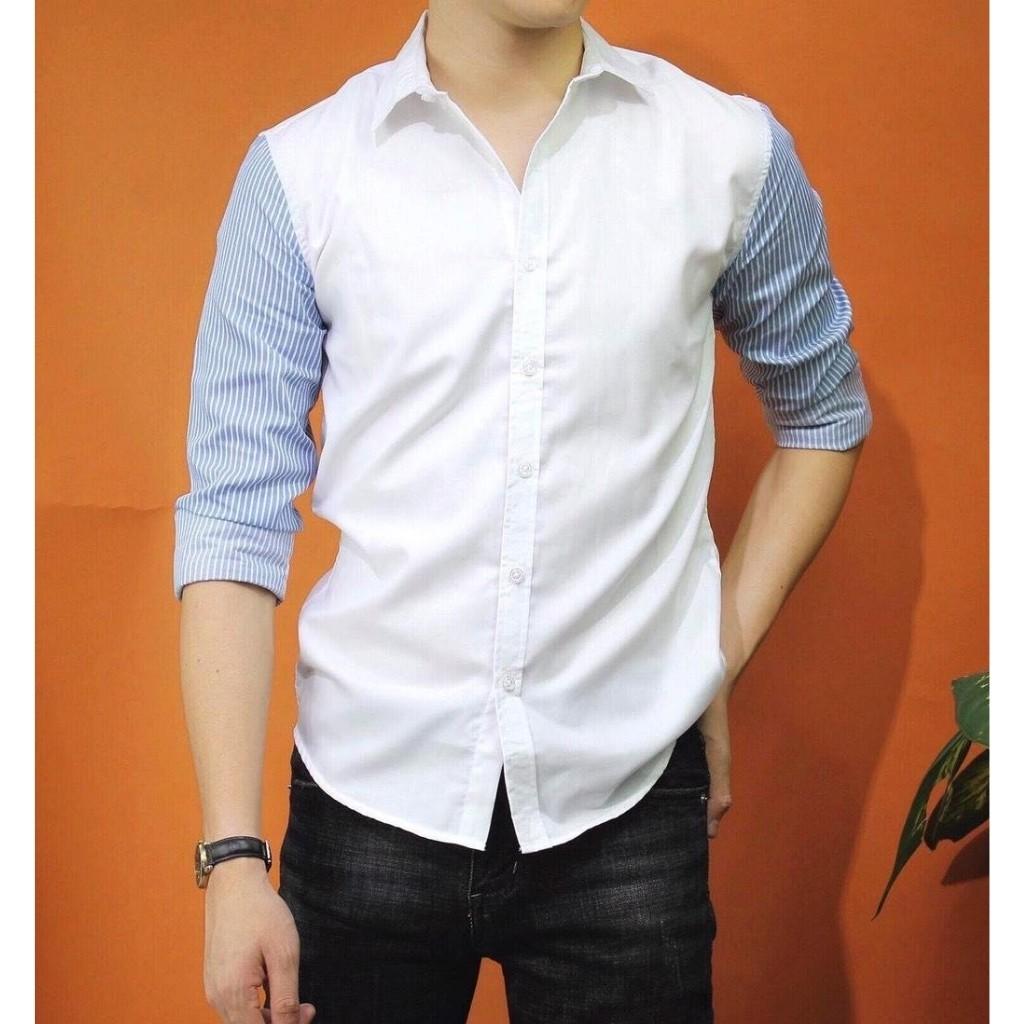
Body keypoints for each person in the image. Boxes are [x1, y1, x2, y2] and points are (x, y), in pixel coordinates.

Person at [174, 2, 873, 1022]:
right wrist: (234, 856)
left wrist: (711, 654)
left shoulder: (724, 152)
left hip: (627, 810)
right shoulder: (303, 173)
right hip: (367, 801)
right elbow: (234, 518)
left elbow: (824, 413)